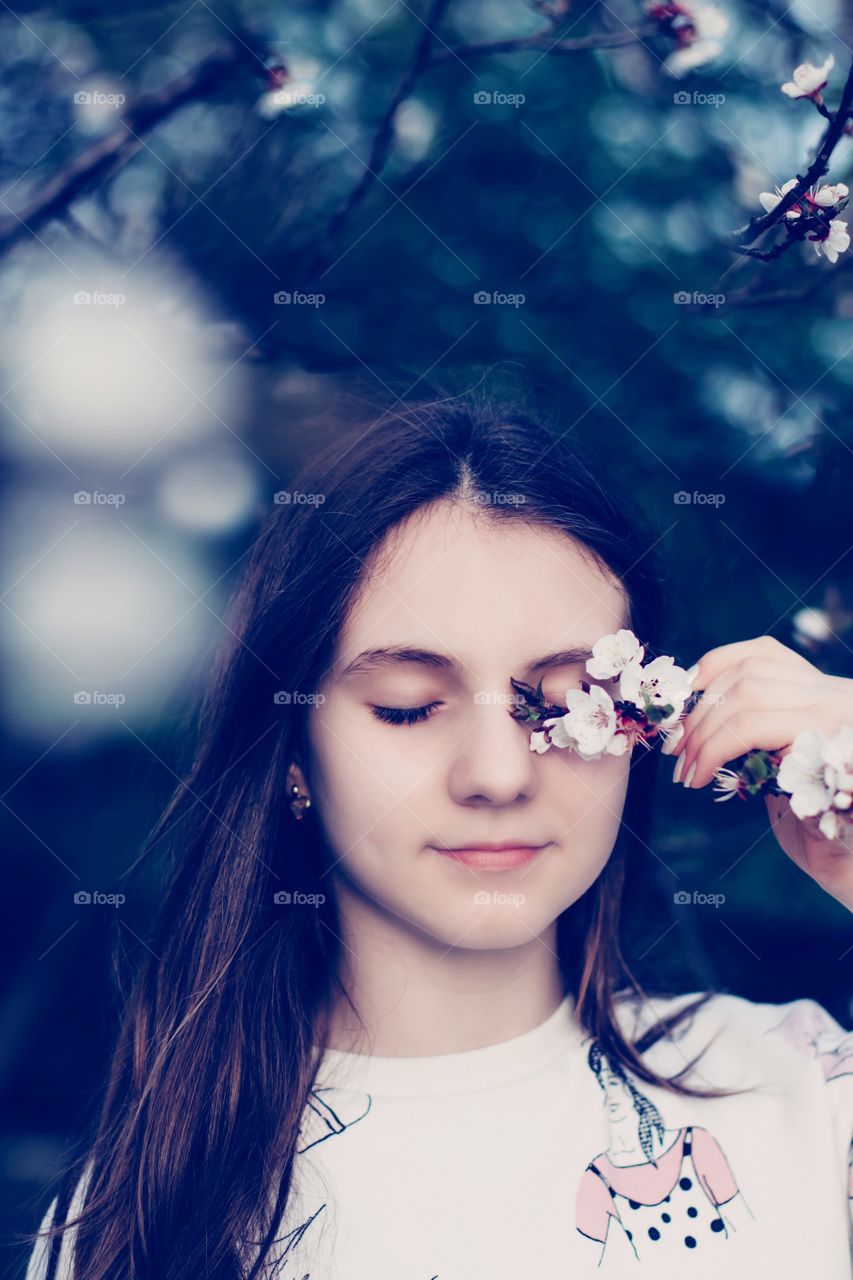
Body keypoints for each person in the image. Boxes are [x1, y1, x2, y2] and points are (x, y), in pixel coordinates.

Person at [20, 390, 853, 1280]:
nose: (496, 774)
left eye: (565, 705)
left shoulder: (803, 1091)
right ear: (291, 750)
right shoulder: (142, 1216)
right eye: (407, 709)